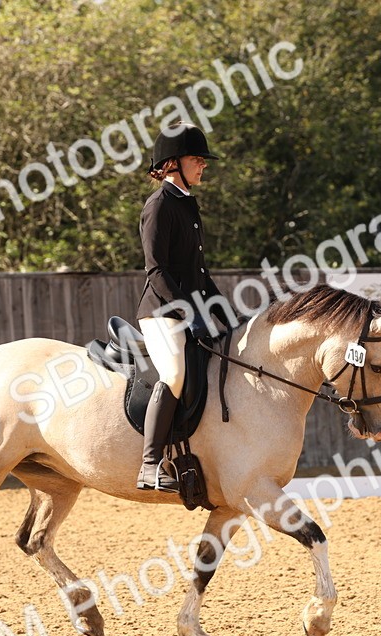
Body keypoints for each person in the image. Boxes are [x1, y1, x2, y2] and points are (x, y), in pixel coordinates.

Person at [135, 123, 235, 491]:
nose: (203, 166)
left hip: (187, 308)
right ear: (173, 163)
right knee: (174, 373)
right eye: (197, 160)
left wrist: (223, 311)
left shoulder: (188, 204)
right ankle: (149, 463)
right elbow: (156, 269)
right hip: (160, 311)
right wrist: (187, 310)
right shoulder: (159, 205)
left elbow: (199, 272)